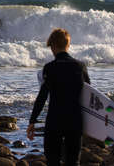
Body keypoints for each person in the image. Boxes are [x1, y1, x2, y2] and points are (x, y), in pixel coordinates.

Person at [27, 28, 90, 166]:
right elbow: (89, 96)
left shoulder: (49, 68)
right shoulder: (80, 66)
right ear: (68, 44)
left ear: (53, 46)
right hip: (75, 120)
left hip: (55, 120)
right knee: (73, 162)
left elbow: (42, 97)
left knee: (53, 161)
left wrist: (32, 121)